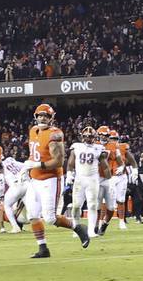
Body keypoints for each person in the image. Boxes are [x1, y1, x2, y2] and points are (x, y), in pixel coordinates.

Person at [20, 103, 91, 258]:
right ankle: (43, 248)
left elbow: (58, 161)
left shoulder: (55, 134)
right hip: (34, 179)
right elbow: (35, 154)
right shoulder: (33, 131)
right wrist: (27, 168)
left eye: (45, 115)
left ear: (51, 118)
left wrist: (36, 165)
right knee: (32, 214)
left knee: (50, 218)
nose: (42, 118)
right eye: (39, 115)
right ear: (35, 116)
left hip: (50, 179)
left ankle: (78, 228)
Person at [66, 125, 109, 235]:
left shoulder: (99, 148)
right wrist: (69, 174)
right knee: (76, 206)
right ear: (82, 137)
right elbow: (70, 162)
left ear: (94, 137)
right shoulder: (77, 146)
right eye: (86, 136)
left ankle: (90, 231)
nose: (88, 139)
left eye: (90, 137)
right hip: (79, 179)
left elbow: (105, 166)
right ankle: (76, 228)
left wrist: (109, 180)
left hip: (93, 179)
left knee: (92, 205)